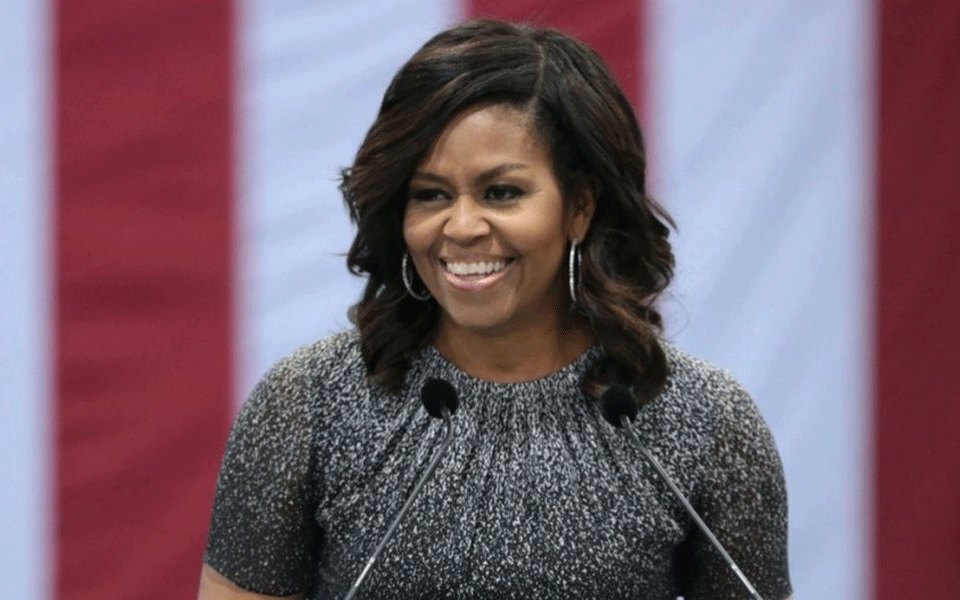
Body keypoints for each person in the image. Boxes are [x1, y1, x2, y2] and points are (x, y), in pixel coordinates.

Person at [198, 19, 792, 600]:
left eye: (501, 193)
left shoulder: (703, 420)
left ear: (579, 207)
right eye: (430, 195)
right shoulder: (310, 405)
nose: (461, 227)